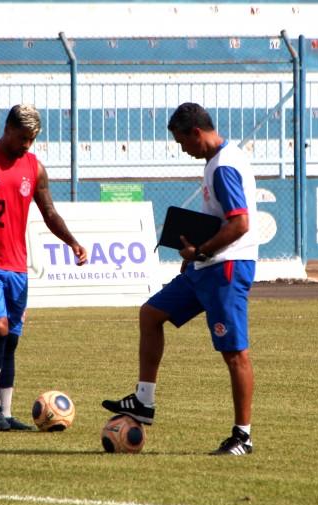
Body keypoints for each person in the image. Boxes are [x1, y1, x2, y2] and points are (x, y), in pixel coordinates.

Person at [103, 102, 258, 455]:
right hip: (206, 267)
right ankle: (144, 402)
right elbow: (219, 217)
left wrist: (201, 251)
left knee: (235, 354)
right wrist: (195, 257)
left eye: (182, 142)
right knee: (151, 313)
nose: (182, 149)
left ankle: (242, 436)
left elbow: (240, 224)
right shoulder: (216, 161)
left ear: (196, 133)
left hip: (226, 268)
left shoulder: (224, 167)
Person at [0, 103, 87, 432]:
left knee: (12, 338)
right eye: (22, 137)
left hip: (16, 266)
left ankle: (6, 414)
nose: (26, 144)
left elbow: (49, 211)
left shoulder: (34, 167)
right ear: (7, 128)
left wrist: (72, 241)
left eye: (32, 139)